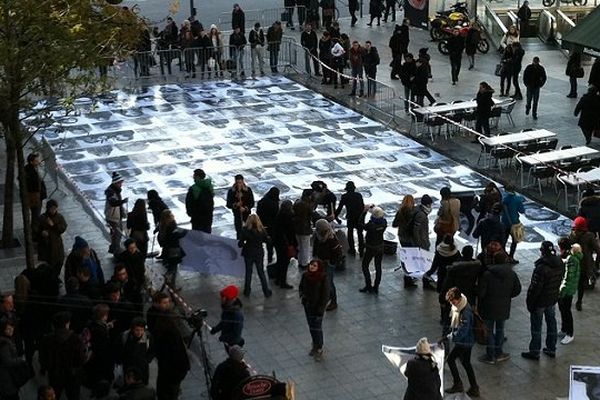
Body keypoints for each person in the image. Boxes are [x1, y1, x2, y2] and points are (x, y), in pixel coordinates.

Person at [522, 241, 564, 360]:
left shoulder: (541, 268)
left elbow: (535, 289)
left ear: (543, 252)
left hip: (540, 301)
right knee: (551, 323)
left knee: (536, 327)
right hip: (552, 298)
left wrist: (530, 302)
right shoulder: (559, 263)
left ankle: (535, 352)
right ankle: (551, 348)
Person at [478, 250, 521, 364]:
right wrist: (507, 296)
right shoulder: (511, 274)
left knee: (489, 331)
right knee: (500, 330)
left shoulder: (487, 274)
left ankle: (490, 355)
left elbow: (481, 293)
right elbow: (517, 290)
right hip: (504, 307)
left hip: (489, 307)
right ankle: (499, 353)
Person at [39, 312, 85, 400]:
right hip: (72, 375)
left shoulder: (47, 339)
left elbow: (42, 358)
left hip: (55, 375)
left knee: (54, 396)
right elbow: (80, 359)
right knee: (73, 396)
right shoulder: (76, 339)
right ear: (67, 324)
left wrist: (47, 368)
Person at [444, 287, 479, 397]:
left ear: (458, 299)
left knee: (451, 360)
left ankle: (458, 384)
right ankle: (474, 387)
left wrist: (450, 336)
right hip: (466, 342)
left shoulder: (465, 312)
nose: (451, 303)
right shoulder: (459, 306)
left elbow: (463, 331)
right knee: (466, 363)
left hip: (465, 342)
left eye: (452, 301)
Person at [153, 303, 190, 400]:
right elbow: (180, 356)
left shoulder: (160, 332)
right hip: (172, 374)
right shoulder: (173, 335)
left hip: (165, 374)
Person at [425, 235, 460, 329]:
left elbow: (434, 266)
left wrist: (428, 273)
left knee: (443, 298)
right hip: (453, 279)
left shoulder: (440, 251)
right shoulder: (456, 252)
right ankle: (450, 316)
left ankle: (443, 318)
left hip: (442, 277)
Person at [299, 259, 330, 361]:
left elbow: (325, 295)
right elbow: (301, 287)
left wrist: (321, 309)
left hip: (317, 308)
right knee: (311, 327)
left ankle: (319, 347)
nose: (312, 267)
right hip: (308, 306)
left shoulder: (323, 278)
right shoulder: (306, 276)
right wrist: (302, 297)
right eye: (311, 265)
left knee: (317, 327)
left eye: (314, 265)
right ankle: (314, 344)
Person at [569, 216, 600, 311]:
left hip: (573, 263)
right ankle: (579, 301)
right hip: (585, 264)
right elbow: (598, 250)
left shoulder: (572, 235)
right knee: (581, 285)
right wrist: (596, 263)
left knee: (570, 282)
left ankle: (569, 301)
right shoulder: (589, 236)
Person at [312, 219, 343, 311]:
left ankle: (334, 301)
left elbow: (338, 254)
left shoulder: (332, 239)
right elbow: (316, 247)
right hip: (321, 261)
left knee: (329, 283)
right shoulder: (319, 235)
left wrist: (331, 262)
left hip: (328, 263)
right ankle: (327, 296)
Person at [239, 214, 272, 298]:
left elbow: (240, 244)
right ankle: (266, 291)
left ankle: (247, 291)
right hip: (259, 253)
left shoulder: (245, 230)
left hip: (248, 253)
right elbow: (267, 241)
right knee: (261, 272)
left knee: (248, 272)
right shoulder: (261, 230)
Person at [557, 239, 582, 345]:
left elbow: (568, 278)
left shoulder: (571, 260)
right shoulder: (570, 258)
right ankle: (564, 329)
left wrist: (561, 291)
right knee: (563, 310)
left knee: (566, 311)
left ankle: (570, 334)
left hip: (567, 290)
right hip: (568, 289)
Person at [116, 318, 154, 386]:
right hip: (128, 367)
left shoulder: (148, 337)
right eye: (137, 330)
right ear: (132, 329)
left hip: (142, 367)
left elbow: (152, 350)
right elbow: (118, 349)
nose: (139, 332)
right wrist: (121, 360)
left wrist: (147, 360)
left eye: (142, 330)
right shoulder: (124, 336)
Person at [0, 318, 31, 400]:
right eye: (8, 328)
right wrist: (21, 359)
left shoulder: (6, 340)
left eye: (12, 327)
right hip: (7, 378)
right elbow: (7, 362)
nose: (11, 330)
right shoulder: (4, 344)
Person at [358, 206, 387, 294]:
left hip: (370, 247)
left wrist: (364, 212)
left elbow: (360, 224)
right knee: (378, 267)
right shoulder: (384, 223)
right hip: (380, 247)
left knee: (365, 265)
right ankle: (376, 287)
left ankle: (368, 285)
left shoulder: (370, 225)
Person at [36, 199, 67, 277]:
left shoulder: (59, 217)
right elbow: (36, 230)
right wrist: (41, 233)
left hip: (57, 245)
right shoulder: (43, 218)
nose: (53, 210)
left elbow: (62, 228)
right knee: (50, 264)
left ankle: (56, 276)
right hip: (47, 246)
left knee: (59, 262)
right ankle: (53, 278)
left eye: (55, 208)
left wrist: (53, 225)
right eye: (52, 208)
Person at [157, 209, 186, 288]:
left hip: (167, 249)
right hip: (174, 250)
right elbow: (176, 236)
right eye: (171, 215)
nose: (173, 215)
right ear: (168, 217)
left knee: (171, 265)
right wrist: (184, 232)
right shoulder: (172, 225)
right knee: (174, 267)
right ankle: (171, 283)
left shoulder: (162, 225)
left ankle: (169, 279)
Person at [210, 285, 245, 350]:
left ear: (233, 299)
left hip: (233, 344)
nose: (222, 300)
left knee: (234, 358)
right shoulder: (227, 309)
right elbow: (224, 322)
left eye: (226, 298)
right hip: (227, 341)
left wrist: (223, 337)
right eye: (222, 297)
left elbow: (236, 335)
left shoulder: (237, 315)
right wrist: (216, 329)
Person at [335, 181, 365, 256]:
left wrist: (335, 216)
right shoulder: (359, 195)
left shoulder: (345, 196)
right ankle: (361, 250)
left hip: (350, 217)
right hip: (359, 217)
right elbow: (362, 207)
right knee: (360, 233)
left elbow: (339, 208)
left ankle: (352, 249)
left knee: (350, 233)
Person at [272, 200, 296, 289]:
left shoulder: (279, 215)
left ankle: (278, 279)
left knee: (280, 261)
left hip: (278, 243)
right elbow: (291, 233)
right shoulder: (289, 217)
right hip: (285, 244)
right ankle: (282, 281)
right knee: (285, 263)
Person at [105, 171, 128, 254]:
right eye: (120, 183)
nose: (121, 184)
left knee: (116, 233)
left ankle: (114, 248)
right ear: (116, 183)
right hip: (112, 217)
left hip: (117, 216)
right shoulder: (111, 192)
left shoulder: (117, 191)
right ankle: (116, 249)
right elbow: (113, 203)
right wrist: (122, 202)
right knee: (117, 234)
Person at [185, 168, 214, 233]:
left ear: (197, 177)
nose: (193, 177)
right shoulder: (210, 186)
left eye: (194, 176)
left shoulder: (193, 188)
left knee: (197, 237)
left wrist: (190, 213)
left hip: (197, 218)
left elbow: (189, 203)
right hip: (208, 217)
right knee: (207, 236)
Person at [501, 185, 525, 263]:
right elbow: (522, 211)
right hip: (515, 223)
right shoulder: (518, 199)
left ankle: (503, 256)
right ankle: (511, 256)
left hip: (505, 222)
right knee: (514, 241)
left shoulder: (504, 199)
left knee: (503, 240)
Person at [226, 174, 255, 240]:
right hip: (237, 215)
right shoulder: (231, 191)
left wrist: (245, 208)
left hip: (247, 215)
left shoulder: (248, 190)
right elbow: (228, 204)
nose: (239, 184)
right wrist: (236, 205)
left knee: (249, 231)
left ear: (243, 181)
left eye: (240, 182)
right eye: (237, 183)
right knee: (239, 232)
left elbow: (252, 203)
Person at [24, 152, 47, 233]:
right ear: (31, 162)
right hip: (35, 198)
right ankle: (34, 232)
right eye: (36, 161)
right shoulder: (30, 172)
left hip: (37, 196)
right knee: (35, 215)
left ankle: (34, 230)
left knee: (36, 214)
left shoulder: (33, 169)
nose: (38, 162)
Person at [257, 187, 280, 264]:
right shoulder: (274, 204)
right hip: (271, 226)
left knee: (260, 241)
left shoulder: (262, 201)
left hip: (262, 224)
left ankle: (259, 257)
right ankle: (270, 257)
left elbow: (258, 212)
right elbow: (276, 215)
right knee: (270, 242)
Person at [293, 189, 314, 269]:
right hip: (305, 228)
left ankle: (300, 261)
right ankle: (304, 263)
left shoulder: (297, 202)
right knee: (305, 247)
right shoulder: (307, 205)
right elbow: (312, 213)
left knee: (300, 246)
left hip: (297, 227)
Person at [523, 56, 547, 120]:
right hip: (530, 86)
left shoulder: (541, 68)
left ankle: (534, 113)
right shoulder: (529, 67)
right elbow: (525, 76)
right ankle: (528, 107)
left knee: (535, 101)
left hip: (536, 86)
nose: (535, 63)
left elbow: (544, 77)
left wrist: (540, 84)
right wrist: (526, 84)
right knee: (529, 100)